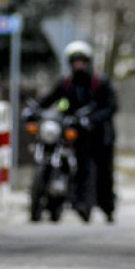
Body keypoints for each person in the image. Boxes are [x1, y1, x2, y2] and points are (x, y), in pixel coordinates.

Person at [34, 40, 118, 223]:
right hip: (76, 134)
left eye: (81, 60)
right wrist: (35, 109)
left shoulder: (99, 82)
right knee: (80, 167)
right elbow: (49, 99)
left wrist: (92, 119)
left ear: (88, 61)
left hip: (100, 136)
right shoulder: (66, 83)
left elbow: (111, 107)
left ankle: (107, 207)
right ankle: (77, 203)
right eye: (75, 61)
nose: (78, 64)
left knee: (103, 173)